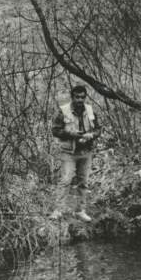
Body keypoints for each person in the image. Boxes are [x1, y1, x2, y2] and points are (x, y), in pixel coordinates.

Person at [50, 85, 102, 222]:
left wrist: (92, 135)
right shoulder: (63, 111)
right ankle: (58, 210)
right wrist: (69, 133)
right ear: (72, 97)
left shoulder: (90, 111)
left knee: (83, 182)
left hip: (86, 152)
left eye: (82, 97)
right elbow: (55, 130)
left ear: (85, 97)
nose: (80, 99)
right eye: (77, 97)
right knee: (65, 180)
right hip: (69, 152)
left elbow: (98, 129)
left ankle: (80, 211)